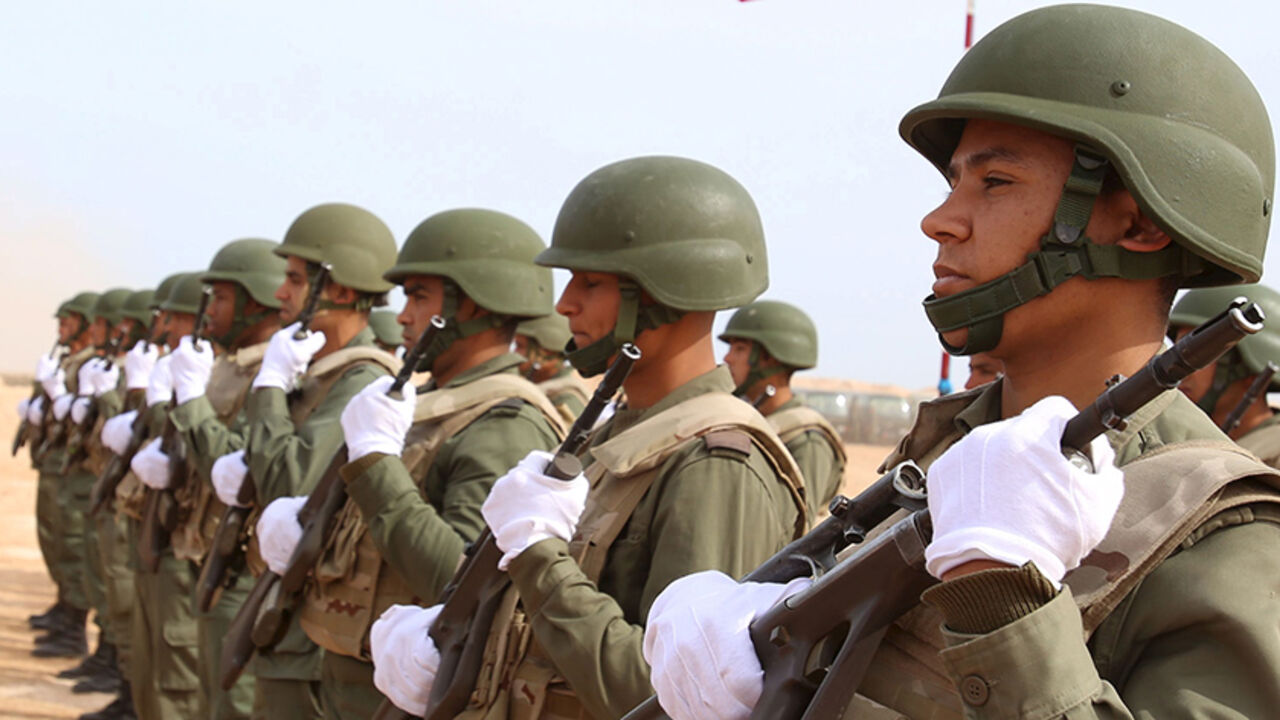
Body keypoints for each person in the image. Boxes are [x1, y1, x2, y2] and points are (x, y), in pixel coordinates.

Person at [643, 6, 1280, 719]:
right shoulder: (945, 452)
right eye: (952, 184)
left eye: (995, 182)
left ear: (1138, 223)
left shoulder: (1225, 536)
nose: (940, 219)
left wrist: (1003, 599)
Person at [368, 156, 808, 720]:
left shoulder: (716, 464)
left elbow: (669, 699)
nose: (564, 304)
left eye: (591, 282)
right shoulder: (625, 433)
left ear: (664, 292)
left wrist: (537, 556)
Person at [260, 207, 566, 719]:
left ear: (474, 303)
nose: (403, 316)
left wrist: (376, 463)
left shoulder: (502, 423)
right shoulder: (429, 405)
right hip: (347, 678)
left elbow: (460, 584)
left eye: (419, 297)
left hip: (392, 697)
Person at [208, 203, 400, 720]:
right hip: (290, 615)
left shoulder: (361, 380)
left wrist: (269, 387)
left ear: (341, 290)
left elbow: (287, 480)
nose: (280, 293)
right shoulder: (321, 374)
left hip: (311, 631)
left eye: (295, 280)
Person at [160, 238, 287, 719]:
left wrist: (191, 401)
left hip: (241, 566)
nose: (209, 309)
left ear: (255, 301)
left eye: (222, 298)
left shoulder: (274, 375)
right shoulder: (230, 367)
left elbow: (234, 472)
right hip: (207, 550)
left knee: (230, 704)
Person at [720, 299, 847, 516]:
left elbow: (799, 523)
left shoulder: (807, 439)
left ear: (768, 358)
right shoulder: (751, 420)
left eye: (739, 349)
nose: (727, 357)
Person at [27, 291, 100, 661]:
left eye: (69, 321)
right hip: (59, 464)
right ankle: (64, 609)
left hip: (79, 470)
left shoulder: (94, 366)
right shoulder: (71, 362)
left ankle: (73, 628)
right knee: (55, 539)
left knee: (73, 546)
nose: (62, 327)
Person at [1169, 284, 1280, 466]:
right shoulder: (1183, 446)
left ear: (1248, 369)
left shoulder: (1273, 455)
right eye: (1178, 353)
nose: (1179, 369)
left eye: (1197, 354)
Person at [514, 312, 591, 422]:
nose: (514, 352)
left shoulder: (565, 398)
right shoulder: (542, 389)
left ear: (547, 352)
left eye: (519, 346)